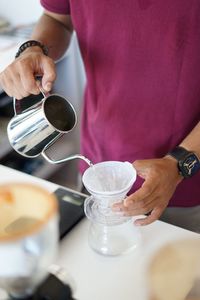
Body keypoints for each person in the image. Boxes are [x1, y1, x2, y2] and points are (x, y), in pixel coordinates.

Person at [1, 1, 200, 232]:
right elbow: (57, 19)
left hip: (185, 177)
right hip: (98, 166)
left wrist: (181, 164)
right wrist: (32, 50)